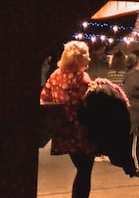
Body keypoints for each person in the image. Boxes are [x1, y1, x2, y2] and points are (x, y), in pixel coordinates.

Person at [39, 40, 97, 198]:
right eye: (86, 55)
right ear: (78, 59)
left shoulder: (55, 75)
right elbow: (91, 103)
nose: (89, 58)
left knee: (82, 169)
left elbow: (44, 97)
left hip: (64, 131)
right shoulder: (81, 78)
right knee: (85, 171)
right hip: (82, 132)